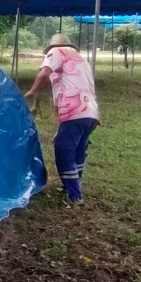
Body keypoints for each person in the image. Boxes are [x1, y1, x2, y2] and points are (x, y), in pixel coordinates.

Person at [24, 33, 99, 204]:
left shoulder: (58, 52)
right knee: (78, 150)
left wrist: (34, 90)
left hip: (74, 110)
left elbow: (43, 74)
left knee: (63, 152)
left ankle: (75, 195)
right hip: (90, 113)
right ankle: (73, 186)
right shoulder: (80, 59)